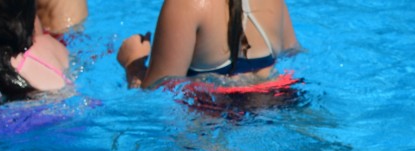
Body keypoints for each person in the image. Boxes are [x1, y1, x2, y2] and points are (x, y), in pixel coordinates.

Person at [115, 0, 297, 90]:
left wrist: (133, 64)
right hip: (282, 104)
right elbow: (293, 53)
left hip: (214, 133)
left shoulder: (185, 5)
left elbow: (155, 98)